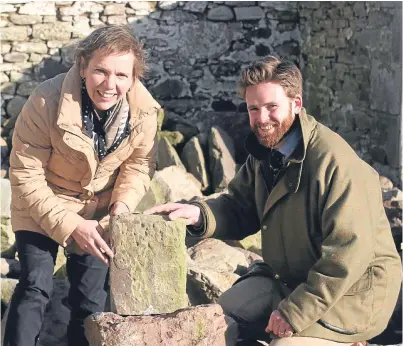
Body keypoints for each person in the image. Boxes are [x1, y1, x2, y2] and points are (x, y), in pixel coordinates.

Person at [145, 56, 402, 346]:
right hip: (289, 277)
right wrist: (198, 214)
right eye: (253, 109)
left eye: (271, 107)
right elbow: (240, 207)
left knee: (283, 345)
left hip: (351, 294)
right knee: (215, 321)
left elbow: (347, 256)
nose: (261, 118)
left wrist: (293, 313)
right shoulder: (265, 153)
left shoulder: (336, 164)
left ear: (296, 104)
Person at [5, 25, 160, 346]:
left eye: (121, 75)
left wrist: (122, 207)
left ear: (134, 78)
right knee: (35, 286)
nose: (109, 84)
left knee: (90, 302)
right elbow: (25, 175)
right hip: (42, 201)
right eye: (100, 72)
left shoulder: (145, 113)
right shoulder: (45, 101)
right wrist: (71, 224)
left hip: (99, 209)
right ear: (82, 66)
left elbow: (139, 165)